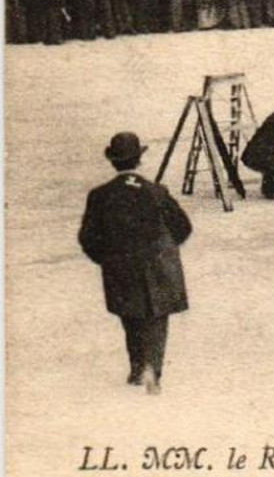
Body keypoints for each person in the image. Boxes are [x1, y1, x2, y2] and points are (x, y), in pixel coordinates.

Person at [78, 131, 193, 395]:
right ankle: (153, 367)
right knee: (157, 316)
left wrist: (107, 259)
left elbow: (87, 237)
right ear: (139, 160)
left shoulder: (100, 195)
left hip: (120, 266)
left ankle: (136, 366)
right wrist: (166, 249)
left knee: (130, 315)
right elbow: (183, 227)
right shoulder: (156, 191)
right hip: (157, 263)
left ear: (112, 161)